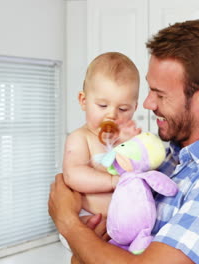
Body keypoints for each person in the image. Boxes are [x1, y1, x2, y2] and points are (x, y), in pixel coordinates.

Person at [49, 19, 199, 264]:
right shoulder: (167, 159)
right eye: (150, 91)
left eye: (160, 94)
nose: (148, 104)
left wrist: (68, 223)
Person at [61, 52, 141, 243]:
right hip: (88, 223)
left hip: (125, 228)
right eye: (102, 105)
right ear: (83, 101)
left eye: (123, 109)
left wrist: (132, 144)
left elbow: (140, 171)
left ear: (135, 108)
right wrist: (113, 181)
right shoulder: (80, 138)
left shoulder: (125, 139)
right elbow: (73, 174)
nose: (112, 115)